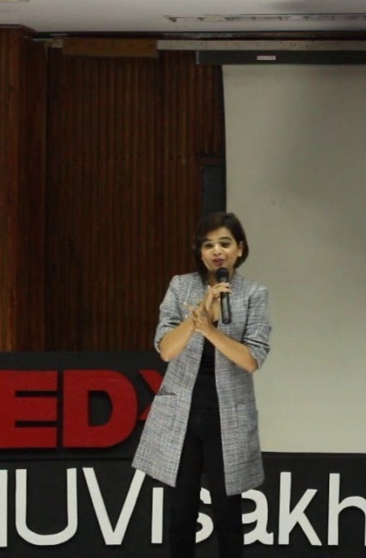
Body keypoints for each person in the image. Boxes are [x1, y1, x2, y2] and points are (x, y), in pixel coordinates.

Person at [132, 212, 272, 558]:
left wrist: (211, 330)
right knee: (181, 512)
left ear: (240, 249)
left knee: (228, 513)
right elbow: (166, 350)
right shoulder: (181, 287)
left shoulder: (253, 293)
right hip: (181, 411)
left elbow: (251, 359)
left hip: (228, 414)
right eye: (208, 245)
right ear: (200, 251)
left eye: (225, 243)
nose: (217, 251)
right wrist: (198, 319)